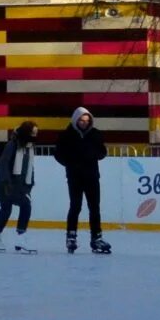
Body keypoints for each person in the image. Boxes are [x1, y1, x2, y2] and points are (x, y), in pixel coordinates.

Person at [50, 106, 111, 254]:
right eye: (81, 120)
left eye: (87, 120)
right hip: (75, 176)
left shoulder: (95, 134)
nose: (84, 123)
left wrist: (93, 154)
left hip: (92, 176)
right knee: (75, 206)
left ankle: (96, 237)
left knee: (94, 207)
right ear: (75, 120)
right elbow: (58, 154)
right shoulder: (67, 135)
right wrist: (70, 163)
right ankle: (71, 236)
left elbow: (102, 152)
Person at [0, 121, 39, 248]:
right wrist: (6, 182)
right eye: (32, 133)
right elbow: (3, 164)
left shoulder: (29, 147)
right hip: (5, 184)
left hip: (20, 186)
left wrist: (30, 183)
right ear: (26, 132)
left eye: (36, 133)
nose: (34, 136)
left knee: (26, 206)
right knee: (6, 209)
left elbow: (29, 167)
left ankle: (20, 238)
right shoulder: (12, 145)